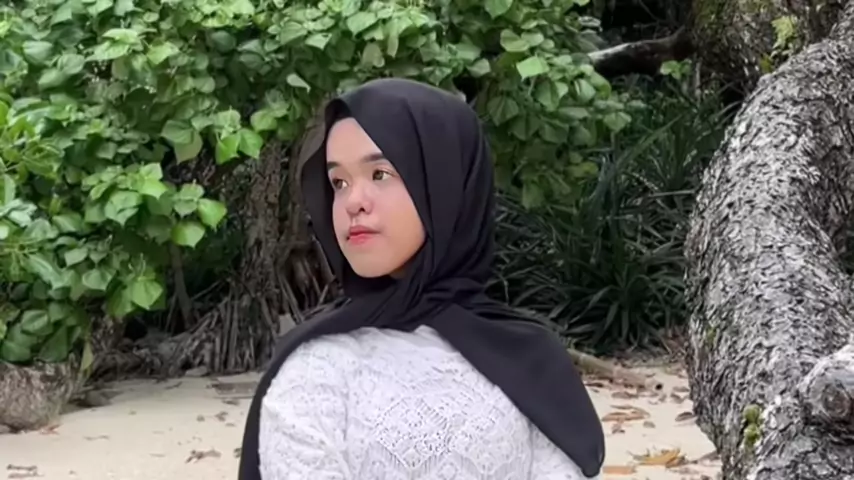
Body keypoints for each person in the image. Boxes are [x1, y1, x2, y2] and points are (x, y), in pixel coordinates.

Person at [237, 78, 605, 480]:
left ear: (445, 185)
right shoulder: (315, 369)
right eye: (339, 182)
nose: (353, 202)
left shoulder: (531, 359)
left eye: (380, 174)